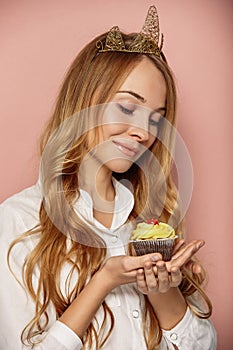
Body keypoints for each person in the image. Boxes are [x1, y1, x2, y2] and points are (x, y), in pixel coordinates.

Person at [0, 5, 216, 350]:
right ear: (84, 104)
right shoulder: (17, 221)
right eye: (128, 108)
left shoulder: (149, 224)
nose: (143, 133)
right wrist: (103, 281)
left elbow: (203, 345)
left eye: (156, 119)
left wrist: (163, 292)